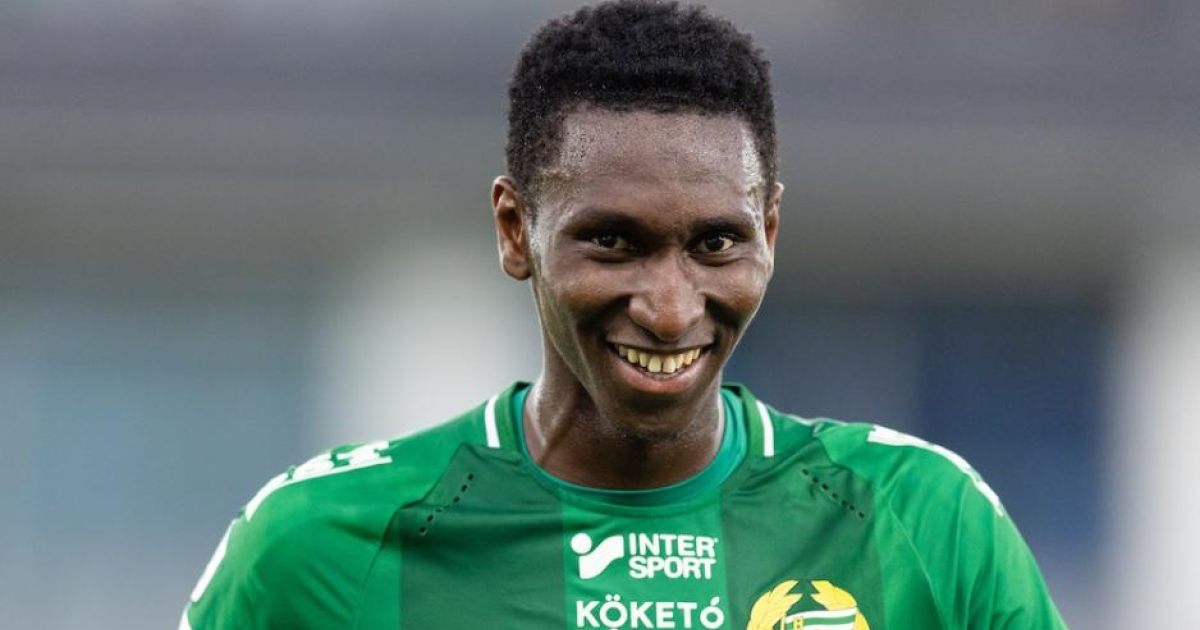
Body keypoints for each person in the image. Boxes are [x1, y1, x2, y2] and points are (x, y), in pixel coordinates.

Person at [180, 2, 1069, 628]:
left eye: (715, 243)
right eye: (612, 242)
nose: (671, 309)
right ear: (515, 230)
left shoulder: (924, 522)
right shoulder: (318, 547)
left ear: (768, 233)